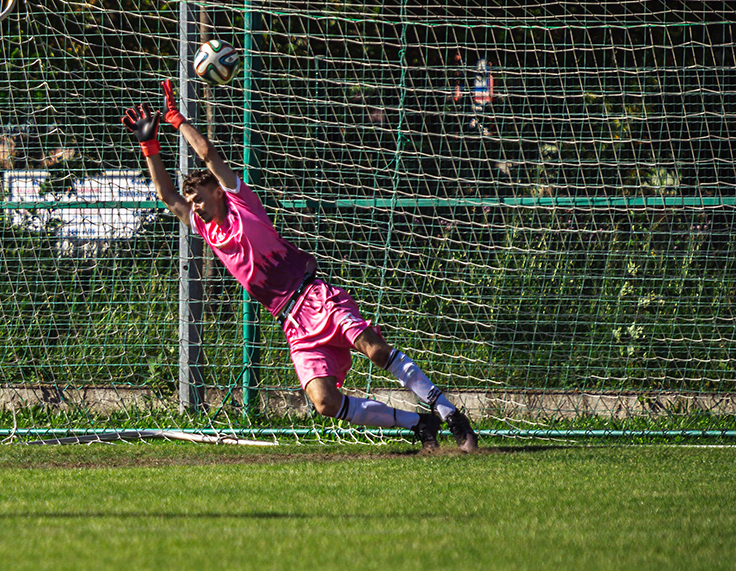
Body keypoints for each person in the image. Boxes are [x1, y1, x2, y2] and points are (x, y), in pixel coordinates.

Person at [122, 80, 478, 452]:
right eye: (191, 199)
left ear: (217, 191)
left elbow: (209, 153)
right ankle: (419, 423)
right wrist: (149, 145)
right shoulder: (206, 230)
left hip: (314, 296)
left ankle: (450, 413)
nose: (193, 204)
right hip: (291, 322)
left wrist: (177, 120)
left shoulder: (243, 205)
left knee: (374, 349)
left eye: (198, 196)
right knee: (324, 402)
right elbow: (166, 194)